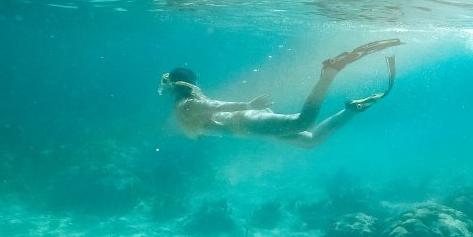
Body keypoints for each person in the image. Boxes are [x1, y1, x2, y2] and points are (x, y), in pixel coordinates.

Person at [161, 39, 401, 148]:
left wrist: (247, 105)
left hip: (246, 123)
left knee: (303, 122)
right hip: (248, 128)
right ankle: (351, 109)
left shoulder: (186, 106)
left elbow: (215, 107)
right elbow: (211, 110)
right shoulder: (188, 104)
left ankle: (329, 72)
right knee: (310, 141)